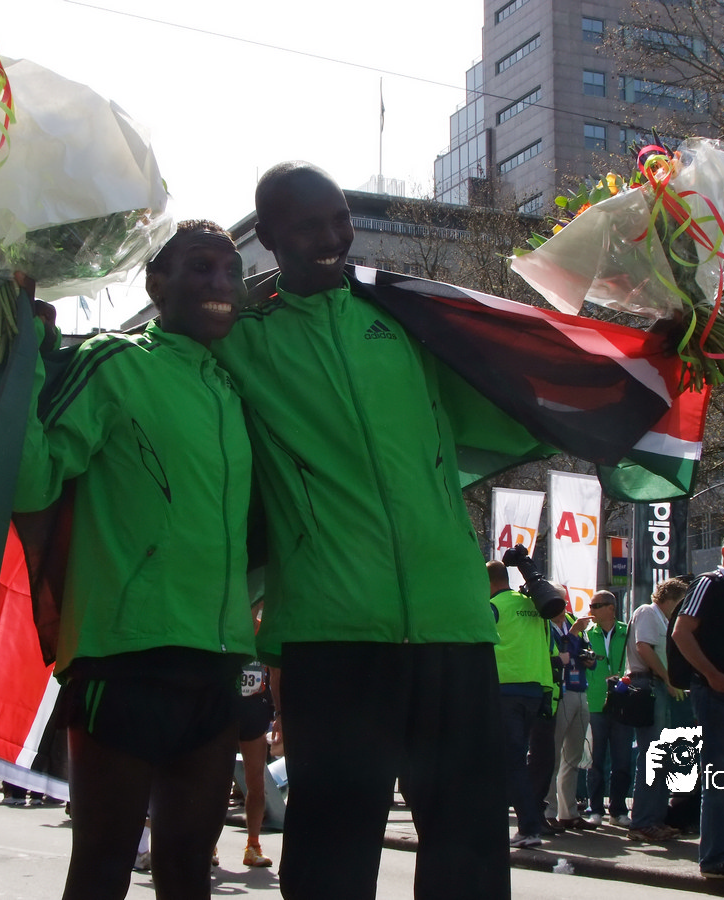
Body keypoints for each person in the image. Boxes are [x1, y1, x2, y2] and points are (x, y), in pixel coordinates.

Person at [211, 163, 548, 900]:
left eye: (340, 218)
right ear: (268, 235)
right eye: (309, 225)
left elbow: (524, 376)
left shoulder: (406, 318)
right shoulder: (242, 336)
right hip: (333, 631)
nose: (333, 237)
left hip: (453, 623)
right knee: (331, 856)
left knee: (469, 853)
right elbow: (161, 352)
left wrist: (638, 349)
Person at [10, 220, 258, 900]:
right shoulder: (115, 362)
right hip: (121, 662)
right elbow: (31, 483)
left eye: (231, 270)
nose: (220, 282)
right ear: (157, 283)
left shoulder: (232, 388)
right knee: (102, 867)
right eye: (200, 267)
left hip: (216, 663)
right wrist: (16, 358)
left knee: (188, 872)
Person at [671, 528, 724, 878]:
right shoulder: (709, 583)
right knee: (721, 777)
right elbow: (681, 632)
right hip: (715, 694)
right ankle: (713, 857)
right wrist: (711, 675)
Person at [486, 559, 558, 848]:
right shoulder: (535, 605)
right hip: (535, 690)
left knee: (512, 761)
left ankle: (529, 828)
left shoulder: (493, 606)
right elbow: (549, 647)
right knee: (515, 759)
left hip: (505, 690)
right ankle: (521, 823)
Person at [626, 576, 690, 843]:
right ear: (670, 599)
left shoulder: (662, 619)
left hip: (660, 687)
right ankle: (642, 821)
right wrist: (667, 678)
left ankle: (654, 819)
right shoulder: (648, 612)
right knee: (652, 756)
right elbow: (643, 648)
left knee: (661, 757)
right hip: (650, 685)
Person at [543, 604, 596, 830]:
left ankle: (569, 812)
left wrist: (590, 659)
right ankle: (548, 811)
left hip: (580, 689)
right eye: (556, 603)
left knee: (573, 757)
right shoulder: (545, 624)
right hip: (559, 692)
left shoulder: (573, 622)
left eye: (563, 604)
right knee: (552, 756)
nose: (562, 609)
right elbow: (559, 652)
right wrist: (573, 633)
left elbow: (584, 650)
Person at [583, 591, 633, 828]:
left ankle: (618, 810)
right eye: (591, 605)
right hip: (594, 701)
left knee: (622, 760)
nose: (591, 610)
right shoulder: (586, 634)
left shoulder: (627, 631)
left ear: (611, 608)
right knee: (596, 759)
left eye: (596, 606)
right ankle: (595, 809)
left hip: (622, 702)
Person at [233, 599, 276, 868]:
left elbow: (274, 672)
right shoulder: (230, 629)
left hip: (254, 711)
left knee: (257, 782)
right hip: (226, 710)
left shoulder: (264, 632)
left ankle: (253, 845)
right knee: (215, 782)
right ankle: (209, 844)